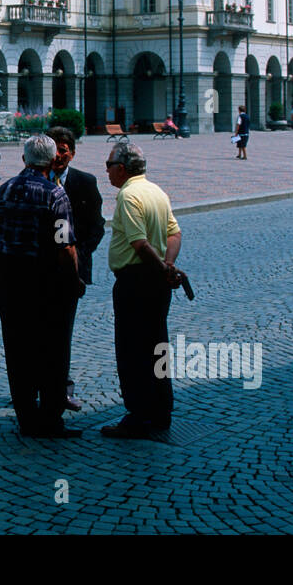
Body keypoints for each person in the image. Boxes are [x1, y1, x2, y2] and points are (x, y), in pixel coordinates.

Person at [0, 134, 81, 438]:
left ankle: (26, 418)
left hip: (10, 284)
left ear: (23, 160)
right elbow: (65, 246)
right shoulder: (55, 194)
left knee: (18, 348)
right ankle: (50, 419)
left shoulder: (2, 191)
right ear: (52, 161)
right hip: (47, 283)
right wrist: (73, 279)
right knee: (53, 348)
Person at [101, 141, 183, 439]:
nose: (106, 171)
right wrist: (169, 266)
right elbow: (174, 232)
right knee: (157, 344)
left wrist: (162, 268)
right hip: (158, 282)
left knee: (132, 349)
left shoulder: (128, 195)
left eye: (109, 165)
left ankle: (137, 414)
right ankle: (161, 410)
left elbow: (138, 243)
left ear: (121, 168)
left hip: (135, 279)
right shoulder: (156, 191)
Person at [46, 126, 105, 412]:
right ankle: (41, 385)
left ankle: (62, 388)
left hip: (72, 271)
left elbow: (97, 227)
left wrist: (78, 257)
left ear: (72, 152)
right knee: (40, 330)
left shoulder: (85, 182)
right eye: (53, 149)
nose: (58, 155)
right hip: (40, 271)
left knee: (63, 331)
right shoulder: (38, 179)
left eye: (63, 149)